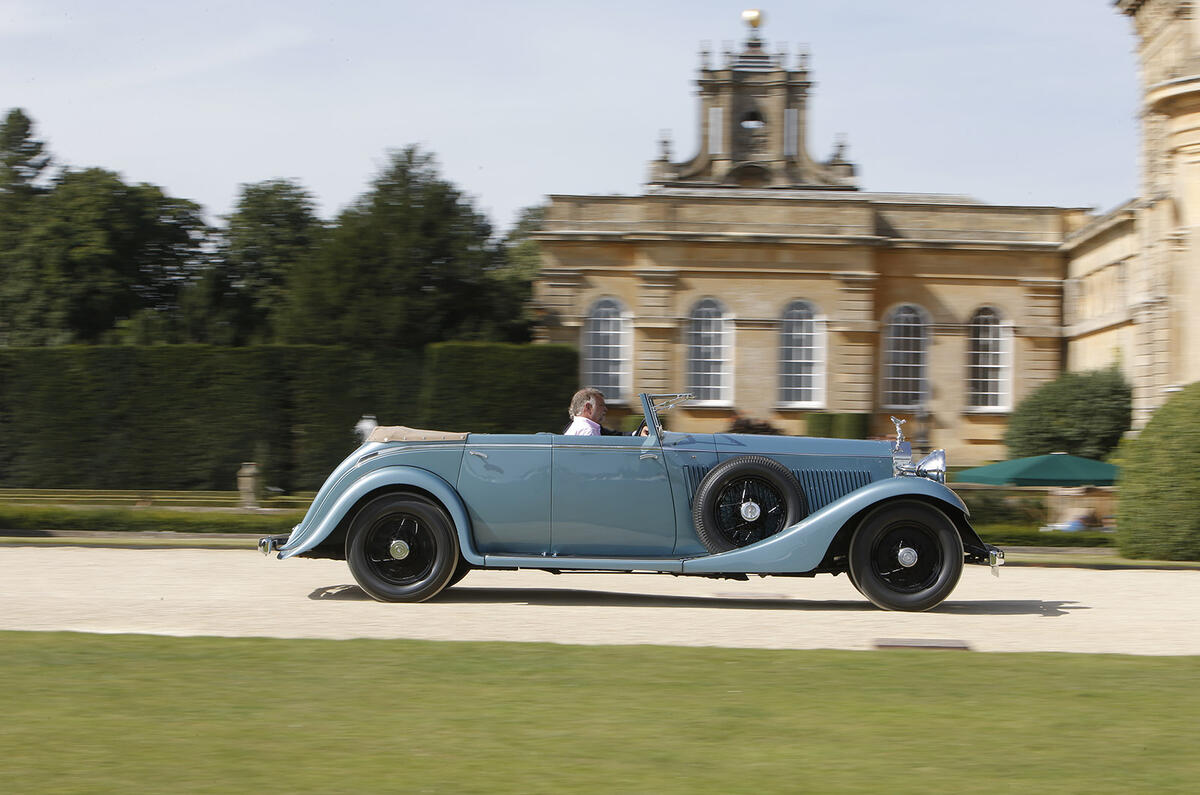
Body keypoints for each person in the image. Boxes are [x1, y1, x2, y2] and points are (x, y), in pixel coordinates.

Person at [563, 388, 651, 436]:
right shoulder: (588, 431)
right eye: (601, 405)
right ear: (588, 407)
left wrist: (638, 433)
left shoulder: (576, 425)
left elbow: (613, 435)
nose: (605, 409)